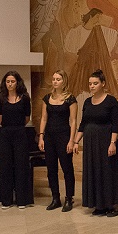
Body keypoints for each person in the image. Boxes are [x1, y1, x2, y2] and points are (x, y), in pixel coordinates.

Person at [73, 70, 118, 216]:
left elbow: (115, 125)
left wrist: (113, 143)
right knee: (93, 171)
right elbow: (83, 123)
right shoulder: (87, 102)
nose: (92, 86)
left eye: (95, 83)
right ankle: (99, 205)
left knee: (107, 171)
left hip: (105, 141)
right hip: (90, 142)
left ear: (103, 84)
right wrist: (76, 141)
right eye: (90, 84)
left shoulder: (111, 102)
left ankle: (113, 206)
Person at [38, 70, 78, 212]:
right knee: (51, 168)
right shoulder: (47, 98)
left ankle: (69, 198)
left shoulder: (70, 99)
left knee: (67, 168)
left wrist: (72, 140)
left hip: (64, 136)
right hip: (49, 136)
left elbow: (73, 121)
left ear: (64, 81)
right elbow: (44, 118)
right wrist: (41, 136)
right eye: (54, 79)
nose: (55, 81)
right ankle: (55, 198)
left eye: (58, 79)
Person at [0, 71, 32, 209]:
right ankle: (6, 200)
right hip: (5, 134)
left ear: (17, 83)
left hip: (20, 133)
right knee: (5, 166)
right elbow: (0, 119)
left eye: (12, 81)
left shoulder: (25, 98)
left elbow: (27, 118)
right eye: (8, 81)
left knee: (21, 165)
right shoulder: (0, 99)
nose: (10, 84)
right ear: (5, 83)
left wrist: (17, 125)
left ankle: (22, 200)